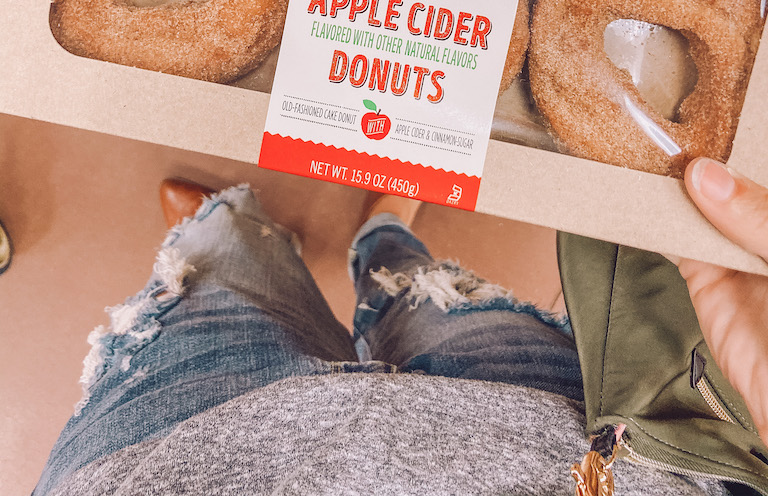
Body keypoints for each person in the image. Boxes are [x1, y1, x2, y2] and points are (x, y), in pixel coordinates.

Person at [32, 157, 768, 496]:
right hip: (560, 439)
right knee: (418, 292)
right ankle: (382, 228)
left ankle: (241, 238)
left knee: (214, 275)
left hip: (183, 455)